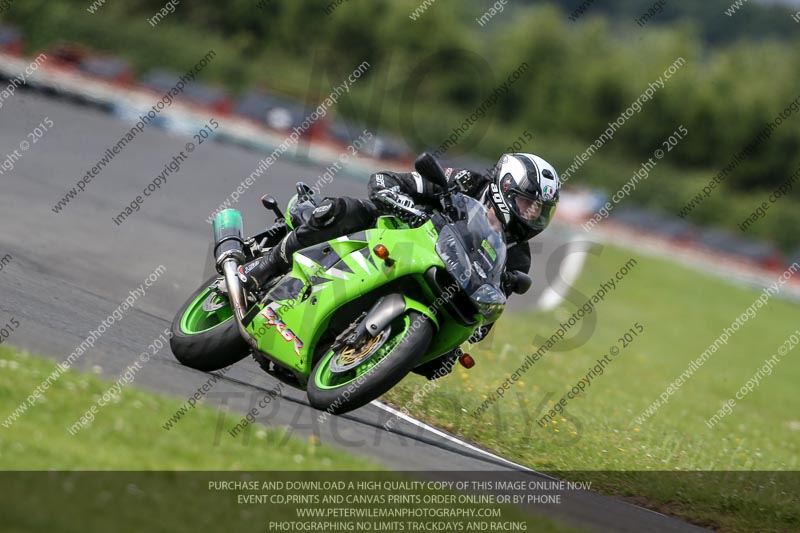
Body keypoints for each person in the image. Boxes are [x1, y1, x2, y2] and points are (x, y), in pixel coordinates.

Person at [237, 153, 561, 376]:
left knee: (438, 359)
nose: (532, 214)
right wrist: (400, 201)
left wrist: (467, 336)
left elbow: (489, 309)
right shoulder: (467, 183)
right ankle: (261, 269)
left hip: (435, 278)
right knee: (343, 211)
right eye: (527, 203)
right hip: (392, 233)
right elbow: (390, 180)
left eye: (540, 210)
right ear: (504, 188)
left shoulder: (518, 256)